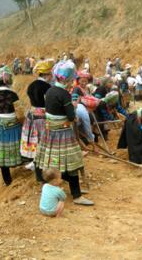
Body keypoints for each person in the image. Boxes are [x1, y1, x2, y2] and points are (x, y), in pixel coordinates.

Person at [34, 60, 94, 206]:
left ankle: (55, 187)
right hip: (64, 133)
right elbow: (72, 117)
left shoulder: (50, 91)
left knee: (55, 161)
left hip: (50, 133)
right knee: (72, 163)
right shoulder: (64, 95)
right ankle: (76, 195)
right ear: (67, 79)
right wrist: (74, 110)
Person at [0, 66, 23, 185]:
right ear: (6, 80)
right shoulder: (13, 95)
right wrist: (23, 123)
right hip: (14, 127)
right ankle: (28, 169)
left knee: (2, 155)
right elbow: (19, 113)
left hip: (1, 129)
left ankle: (7, 180)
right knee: (22, 148)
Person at [20, 59, 53, 170]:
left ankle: (35, 161)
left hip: (32, 114)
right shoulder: (47, 87)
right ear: (46, 74)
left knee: (34, 139)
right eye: (50, 73)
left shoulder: (31, 85)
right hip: (43, 116)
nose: (51, 75)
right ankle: (43, 163)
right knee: (44, 140)